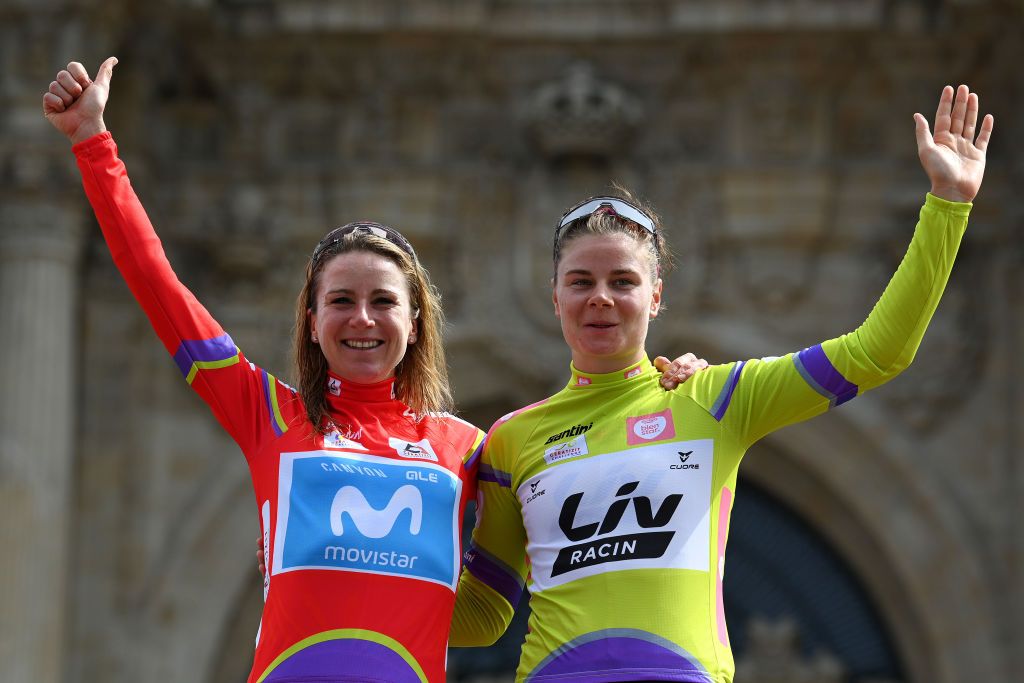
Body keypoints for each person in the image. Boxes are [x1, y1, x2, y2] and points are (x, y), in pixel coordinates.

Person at [42, 57, 705, 683]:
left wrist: (663, 383)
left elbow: (573, 513)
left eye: (384, 301)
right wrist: (93, 144)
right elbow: (159, 287)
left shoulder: (468, 447)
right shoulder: (268, 413)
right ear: (311, 319)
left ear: (415, 321)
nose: (362, 318)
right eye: (340, 301)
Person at [446, 84, 994, 683]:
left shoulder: (715, 397)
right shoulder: (509, 439)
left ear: (655, 297)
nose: (601, 298)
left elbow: (876, 353)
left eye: (623, 281)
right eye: (581, 281)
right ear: (555, 297)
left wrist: (948, 204)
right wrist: (348, 579)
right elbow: (483, 615)